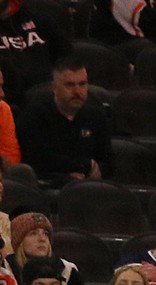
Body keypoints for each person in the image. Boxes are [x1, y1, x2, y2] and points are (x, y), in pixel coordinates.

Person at [15, 53, 109, 190]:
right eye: (70, 85)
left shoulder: (96, 115)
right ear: (54, 87)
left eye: (82, 84)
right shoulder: (34, 116)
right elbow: (37, 160)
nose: (77, 92)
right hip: (50, 187)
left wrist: (94, 173)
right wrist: (83, 167)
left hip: (91, 188)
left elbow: (108, 161)